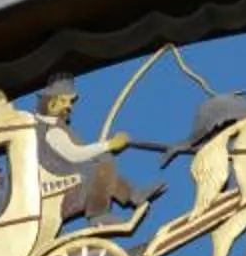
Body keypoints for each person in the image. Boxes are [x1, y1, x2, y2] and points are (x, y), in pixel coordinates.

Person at [33, 78, 160, 225]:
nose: (69, 106)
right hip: (63, 190)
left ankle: (133, 194)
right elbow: (74, 155)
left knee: (102, 161)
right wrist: (110, 145)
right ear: (51, 102)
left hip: (72, 180)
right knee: (103, 163)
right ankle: (98, 215)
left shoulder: (54, 127)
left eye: (70, 102)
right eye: (64, 101)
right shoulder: (50, 131)